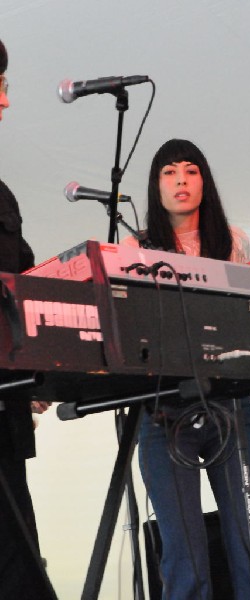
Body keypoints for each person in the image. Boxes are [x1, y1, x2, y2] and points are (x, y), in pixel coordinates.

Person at [123, 138, 250, 600]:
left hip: (231, 404)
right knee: (183, 551)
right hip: (164, 411)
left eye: (190, 171)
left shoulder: (232, 240)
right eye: (169, 173)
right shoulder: (135, 246)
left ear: (204, 181)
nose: (181, 182)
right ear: (156, 186)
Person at [0, 38, 54, 600]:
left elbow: (26, 287)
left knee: (19, 566)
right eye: (1, 87)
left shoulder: (3, 196)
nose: (7, 103)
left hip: (6, 414)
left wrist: (37, 370)